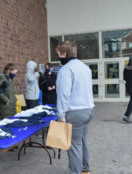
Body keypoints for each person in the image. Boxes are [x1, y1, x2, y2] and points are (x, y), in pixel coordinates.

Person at [56, 41, 94, 174]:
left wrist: (61, 115)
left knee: (74, 145)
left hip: (74, 112)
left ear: (64, 54)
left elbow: (63, 94)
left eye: (59, 54)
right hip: (88, 109)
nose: (58, 57)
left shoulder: (65, 70)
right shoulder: (85, 68)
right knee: (82, 141)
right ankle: (85, 169)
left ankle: (76, 172)